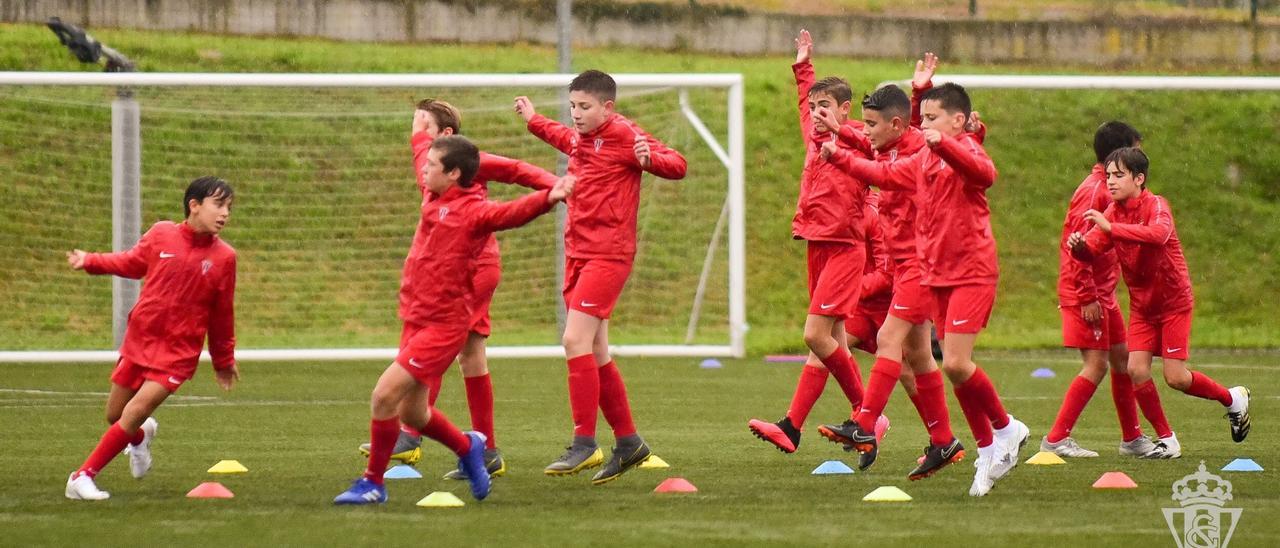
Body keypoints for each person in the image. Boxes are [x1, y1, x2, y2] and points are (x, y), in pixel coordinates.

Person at [823, 59, 1029, 497]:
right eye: (924, 119)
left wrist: (939, 135)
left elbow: (984, 173)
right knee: (932, 360)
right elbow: (882, 172)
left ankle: (871, 422)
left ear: (957, 122)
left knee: (937, 357)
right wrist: (840, 153)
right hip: (935, 273)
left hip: (968, 270)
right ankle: (978, 445)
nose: (925, 127)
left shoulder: (963, 151)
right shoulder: (921, 161)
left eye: (932, 119)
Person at [334, 135, 574, 504]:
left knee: (383, 396)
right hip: (414, 318)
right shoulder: (434, 196)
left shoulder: (474, 210)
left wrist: (548, 196)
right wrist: (420, 129)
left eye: (431, 165)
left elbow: (509, 213)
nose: (423, 170)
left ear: (454, 173)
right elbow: (424, 153)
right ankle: (467, 447)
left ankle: (373, 484)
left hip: (443, 326)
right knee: (413, 411)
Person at [515, 69, 688, 485]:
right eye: (573, 106)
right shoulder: (582, 136)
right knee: (595, 348)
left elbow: (677, 164)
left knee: (574, 339)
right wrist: (534, 120)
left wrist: (652, 161)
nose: (576, 114)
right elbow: (564, 137)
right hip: (579, 250)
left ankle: (584, 442)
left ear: (607, 107)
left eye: (584, 107)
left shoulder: (626, 134)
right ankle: (629, 442)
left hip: (608, 254)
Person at [816, 80, 962, 479]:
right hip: (906, 265)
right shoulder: (894, 141)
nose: (865, 132)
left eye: (871, 125)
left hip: (921, 263)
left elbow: (881, 173)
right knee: (917, 355)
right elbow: (870, 148)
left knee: (887, 339)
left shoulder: (918, 154)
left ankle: (864, 424)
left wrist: (839, 154)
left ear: (897, 125)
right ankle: (944, 441)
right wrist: (839, 129)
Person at [1068, 147, 1251, 459]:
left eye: (1119, 175)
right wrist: (1079, 248)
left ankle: (1232, 398)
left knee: (1176, 378)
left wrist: (1112, 229)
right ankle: (1168, 439)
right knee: (1135, 369)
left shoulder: (1157, 205)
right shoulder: (1113, 212)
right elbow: (1094, 249)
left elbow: (1158, 234)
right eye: (1109, 175)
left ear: (1139, 179)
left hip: (1174, 304)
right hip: (1143, 308)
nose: (1111, 181)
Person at [64, 176, 239, 501]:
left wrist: (223, 360)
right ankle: (142, 436)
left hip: (178, 354)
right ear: (194, 205)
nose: (225, 213)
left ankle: (81, 476)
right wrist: (91, 261)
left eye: (229, 207)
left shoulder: (225, 257)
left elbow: (222, 313)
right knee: (116, 415)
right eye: (219, 204)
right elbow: (131, 263)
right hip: (139, 341)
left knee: (133, 413)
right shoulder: (161, 234)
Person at [747, 29, 874, 457]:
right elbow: (805, 102)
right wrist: (803, 65)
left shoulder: (858, 138)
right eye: (815, 107)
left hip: (845, 248)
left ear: (844, 110)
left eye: (827, 107)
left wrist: (844, 132)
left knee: (816, 336)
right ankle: (792, 427)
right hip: (816, 244)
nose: (817, 114)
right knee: (830, 342)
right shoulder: (814, 137)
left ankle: (867, 414)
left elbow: (877, 155)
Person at [1043, 121, 1153, 459]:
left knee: (1122, 359)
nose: (1143, 155)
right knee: (1097, 364)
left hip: (1105, 292)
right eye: (1137, 148)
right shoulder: (1095, 191)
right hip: (1086, 293)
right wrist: (1086, 295)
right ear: (1119, 154)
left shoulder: (1111, 188)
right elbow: (1073, 247)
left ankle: (1132, 439)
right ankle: (1056, 438)